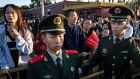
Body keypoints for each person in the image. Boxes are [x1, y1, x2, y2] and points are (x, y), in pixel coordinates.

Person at [80, 6, 140, 79]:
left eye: (120, 23)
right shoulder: (103, 41)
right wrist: (80, 70)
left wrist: (129, 39)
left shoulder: (132, 43)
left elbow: (138, 62)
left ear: (127, 24)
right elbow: (94, 60)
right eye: (113, 22)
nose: (115, 26)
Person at [27, 14, 79, 79]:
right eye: (52, 37)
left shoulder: (73, 57)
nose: (57, 41)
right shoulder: (35, 65)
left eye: (60, 36)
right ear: (43, 38)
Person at [3, 4, 33, 79]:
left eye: (13, 12)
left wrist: (18, 37)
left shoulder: (25, 31)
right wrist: (4, 64)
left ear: (17, 14)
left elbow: (28, 50)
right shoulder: (1, 31)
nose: (10, 15)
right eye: (7, 13)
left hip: (24, 66)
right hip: (8, 68)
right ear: (4, 15)